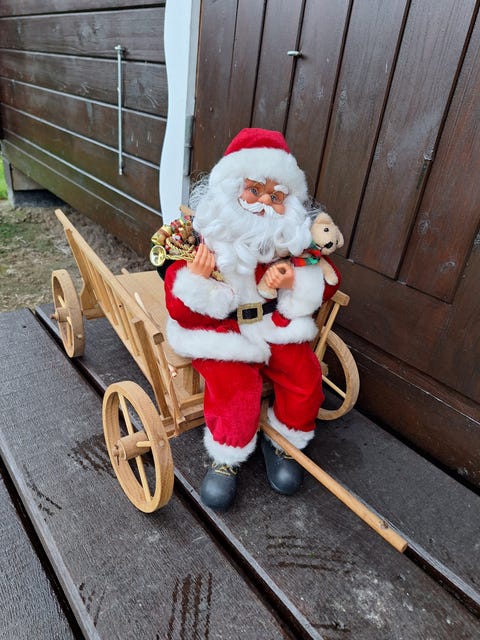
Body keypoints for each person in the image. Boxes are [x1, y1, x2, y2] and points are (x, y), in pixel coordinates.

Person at [163, 128, 340, 511]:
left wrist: (295, 282)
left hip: (271, 325)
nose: (264, 203)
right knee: (236, 385)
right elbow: (179, 309)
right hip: (221, 331)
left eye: (276, 197)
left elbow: (325, 283)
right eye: (254, 190)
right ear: (230, 191)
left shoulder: (286, 245)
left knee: (304, 374)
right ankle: (226, 457)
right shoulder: (206, 241)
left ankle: (285, 440)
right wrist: (196, 279)